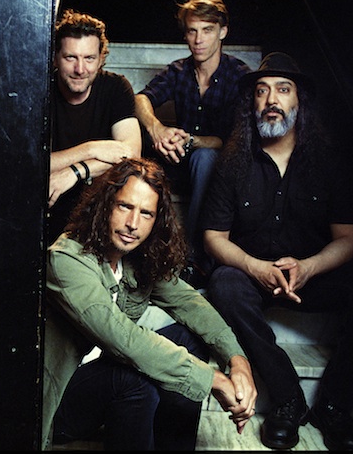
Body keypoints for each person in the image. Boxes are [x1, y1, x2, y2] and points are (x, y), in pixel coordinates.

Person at [201, 51, 353, 450]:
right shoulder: (232, 162)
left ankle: (333, 406)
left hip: (312, 276)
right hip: (254, 275)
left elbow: (350, 238)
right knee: (223, 284)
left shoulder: (329, 162)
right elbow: (213, 236)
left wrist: (310, 267)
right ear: (252, 102)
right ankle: (288, 399)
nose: (271, 100)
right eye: (261, 91)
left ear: (299, 101)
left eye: (283, 90)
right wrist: (255, 267)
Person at [42, 157, 257, 451]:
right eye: (124, 206)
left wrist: (237, 361)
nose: (133, 224)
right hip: (62, 400)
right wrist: (213, 380)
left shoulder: (137, 258)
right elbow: (124, 339)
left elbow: (190, 303)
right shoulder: (66, 259)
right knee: (132, 377)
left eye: (146, 213)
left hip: (104, 378)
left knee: (190, 338)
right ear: (104, 205)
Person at [135, 0, 251, 284]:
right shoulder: (179, 71)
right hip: (179, 158)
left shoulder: (240, 76)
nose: (198, 40)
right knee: (133, 137)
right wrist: (158, 129)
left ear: (223, 31)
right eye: (192, 31)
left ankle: (194, 260)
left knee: (206, 157)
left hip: (219, 168)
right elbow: (140, 99)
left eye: (207, 30)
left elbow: (238, 139)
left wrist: (194, 141)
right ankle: (137, 254)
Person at [48, 9, 142, 243]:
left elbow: (132, 156)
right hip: (48, 201)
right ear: (55, 58)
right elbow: (26, 166)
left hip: (98, 203)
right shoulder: (40, 89)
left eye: (89, 58)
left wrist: (75, 171)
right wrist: (91, 149)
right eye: (71, 57)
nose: (80, 69)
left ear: (101, 59)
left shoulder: (115, 88)